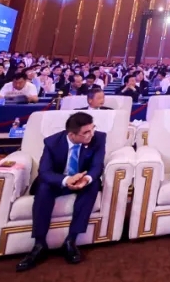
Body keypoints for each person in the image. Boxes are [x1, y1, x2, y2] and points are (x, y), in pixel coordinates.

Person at [16, 112, 105, 271]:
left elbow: (97, 166)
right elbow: (45, 172)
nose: (91, 134)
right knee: (44, 187)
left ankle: (71, 240)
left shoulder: (98, 138)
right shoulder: (52, 143)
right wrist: (66, 180)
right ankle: (39, 244)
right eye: (86, 132)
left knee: (94, 184)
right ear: (71, 134)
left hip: (81, 180)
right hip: (59, 181)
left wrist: (86, 179)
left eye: (93, 128)